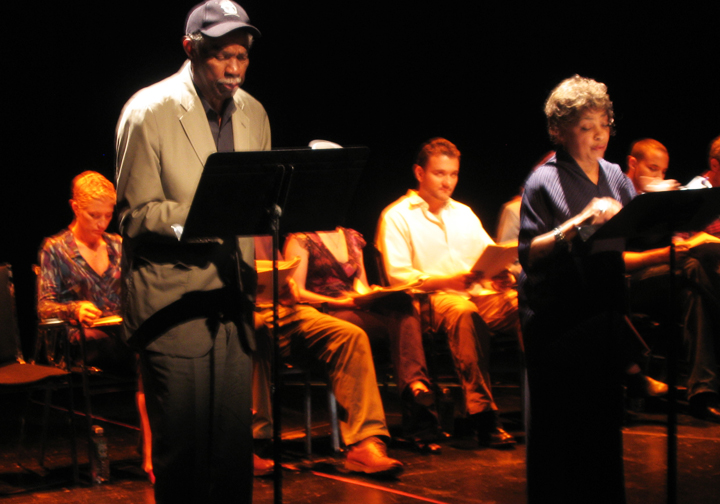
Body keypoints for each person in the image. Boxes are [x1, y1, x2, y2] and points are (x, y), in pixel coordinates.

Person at [115, 1, 268, 501]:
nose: (234, 68)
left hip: (231, 303)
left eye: (242, 56)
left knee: (230, 459)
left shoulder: (254, 113)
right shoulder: (149, 110)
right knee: (184, 459)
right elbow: (134, 215)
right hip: (173, 304)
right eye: (222, 55)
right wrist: (196, 218)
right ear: (190, 49)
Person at [518, 75, 635, 503]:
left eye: (603, 123)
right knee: (561, 432)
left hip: (602, 315)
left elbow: (631, 233)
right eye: (586, 126)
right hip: (558, 322)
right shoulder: (543, 180)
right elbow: (530, 254)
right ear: (560, 131)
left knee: (602, 428)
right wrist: (581, 220)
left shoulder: (615, 174)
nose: (599, 134)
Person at [376, 138, 517, 449]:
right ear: (419, 172)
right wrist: (447, 281)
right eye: (440, 173)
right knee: (465, 313)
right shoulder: (398, 216)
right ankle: (482, 414)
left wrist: (501, 274)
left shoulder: (463, 213)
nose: (448, 182)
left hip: (477, 292)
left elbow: (487, 253)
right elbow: (400, 278)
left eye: (453, 174)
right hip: (433, 298)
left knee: (528, 307)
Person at [251, 237, 404, 476]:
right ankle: (253, 444)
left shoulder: (262, 230)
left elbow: (279, 274)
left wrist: (286, 288)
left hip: (277, 309)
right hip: (234, 311)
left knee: (349, 336)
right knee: (254, 329)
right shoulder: (208, 220)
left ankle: (364, 442)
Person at [37, 171, 154, 482]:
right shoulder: (56, 249)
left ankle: (153, 449)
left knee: (154, 353)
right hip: (78, 339)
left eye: (107, 215)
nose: (102, 223)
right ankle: (152, 454)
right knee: (136, 352)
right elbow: (44, 306)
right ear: (75, 207)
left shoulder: (117, 246)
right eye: (94, 215)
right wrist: (76, 307)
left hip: (120, 335)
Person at [284, 228, 439, 440]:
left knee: (404, 305)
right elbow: (297, 292)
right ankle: (419, 412)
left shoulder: (352, 237)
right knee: (396, 332)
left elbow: (361, 285)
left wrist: (372, 295)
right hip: (327, 313)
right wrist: (341, 302)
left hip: (355, 306)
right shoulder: (301, 240)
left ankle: (416, 385)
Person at [624, 138, 720, 421]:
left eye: (663, 172)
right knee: (692, 269)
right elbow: (615, 260)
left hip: (666, 278)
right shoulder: (618, 194)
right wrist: (665, 255)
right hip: (626, 282)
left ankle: (703, 394)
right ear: (633, 163)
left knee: (695, 296)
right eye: (652, 169)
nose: (658, 177)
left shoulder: (659, 201)